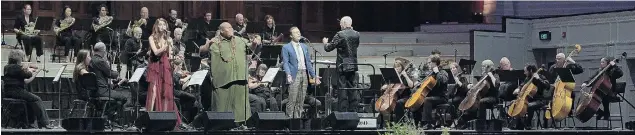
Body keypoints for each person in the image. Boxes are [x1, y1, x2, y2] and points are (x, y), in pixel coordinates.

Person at [200, 22, 251, 123]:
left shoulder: (240, 40)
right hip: (222, 80)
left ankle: (240, 125)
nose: (231, 29)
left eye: (231, 27)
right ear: (222, 30)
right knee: (221, 107)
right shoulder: (215, 41)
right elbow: (201, 51)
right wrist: (207, 44)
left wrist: (254, 44)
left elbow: (250, 48)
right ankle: (221, 126)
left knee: (239, 107)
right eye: (228, 28)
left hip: (239, 78)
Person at [145, 18, 181, 127]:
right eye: (160, 25)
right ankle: (148, 118)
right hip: (155, 66)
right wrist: (166, 45)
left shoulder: (168, 39)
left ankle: (165, 120)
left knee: (166, 92)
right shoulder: (151, 38)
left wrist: (176, 58)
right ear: (156, 26)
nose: (162, 26)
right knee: (154, 91)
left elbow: (169, 56)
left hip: (165, 67)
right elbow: (155, 52)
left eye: (163, 25)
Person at [2, 50, 51, 129]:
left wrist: (36, 72)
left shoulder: (8, 67)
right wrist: (29, 69)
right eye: (22, 57)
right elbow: (27, 75)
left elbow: (26, 81)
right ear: (18, 58)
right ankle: (45, 122)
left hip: (12, 91)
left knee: (30, 101)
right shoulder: (15, 67)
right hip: (16, 91)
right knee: (37, 99)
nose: (22, 59)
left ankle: (30, 123)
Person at [323, 16, 360, 112]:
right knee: (352, 88)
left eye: (340, 24)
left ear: (344, 23)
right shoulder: (356, 34)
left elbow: (329, 48)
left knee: (342, 89)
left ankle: (343, 111)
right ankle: (353, 110)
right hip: (352, 64)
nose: (340, 25)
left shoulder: (340, 34)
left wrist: (325, 43)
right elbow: (356, 45)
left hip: (343, 65)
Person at [281, 27, 321, 119]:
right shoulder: (286, 47)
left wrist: (314, 76)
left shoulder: (304, 46)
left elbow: (308, 63)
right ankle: (289, 122)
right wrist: (288, 74)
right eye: (296, 33)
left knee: (301, 100)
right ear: (291, 36)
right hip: (294, 75)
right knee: (292, 100)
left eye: (299, 32)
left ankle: (297, 122)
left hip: (304, 74)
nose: (298, 34)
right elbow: (285, 63)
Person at [88, 42, 132, 110]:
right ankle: (113, 116)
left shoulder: (91, 60)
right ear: (103, 50)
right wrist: (118, 74)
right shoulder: (100, 61)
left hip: (94, 91)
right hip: (102, 91)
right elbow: (110, 74)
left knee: (118, 99)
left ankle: (110, 114)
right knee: (125, 96)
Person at [511, 64, 550, 130]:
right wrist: (518, 88)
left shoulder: (541, 76)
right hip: (529, 99)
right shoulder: (528, 78)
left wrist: (539, 79)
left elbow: (547, 86)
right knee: (513, 103)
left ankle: (528, 124)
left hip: (540, 100)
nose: (524, 73)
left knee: (529, 106)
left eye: (525, 71)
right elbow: (523, 85)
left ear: (531, 70)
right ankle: (517, 124)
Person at [417, 55, 449, 129]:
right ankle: (417, 123)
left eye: (429, 62)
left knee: (427, 100)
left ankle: (428, 124)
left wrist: (437, 72)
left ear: (434, 63)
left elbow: (443, 81)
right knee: (418, 102)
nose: (428, 64)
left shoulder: (442, 72)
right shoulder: (431, 74)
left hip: (441, 97)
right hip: (433, 97)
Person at [384, 57, 415, 122]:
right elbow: (388, 85)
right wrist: (386, 86)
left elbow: (411, 85)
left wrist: (405, 75)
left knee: (399, 103)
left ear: (402, 67)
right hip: (396, 97)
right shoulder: (394, 77)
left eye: (399, 67)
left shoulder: (405, 75)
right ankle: (386, 122)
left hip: (406, 97)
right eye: (395, 67)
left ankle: (400, 122)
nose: (397, 68)